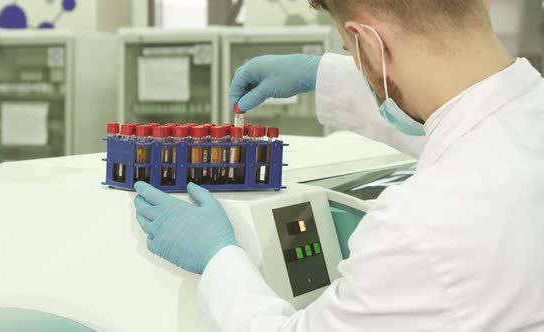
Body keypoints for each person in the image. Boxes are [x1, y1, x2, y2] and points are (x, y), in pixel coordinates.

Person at [134, 0, 544, 330]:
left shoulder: (419, 229)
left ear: (367, 44)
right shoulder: (525, 118)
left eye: (351, 53)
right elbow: (459, 129)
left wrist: (217, 258)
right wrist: (321, 75)